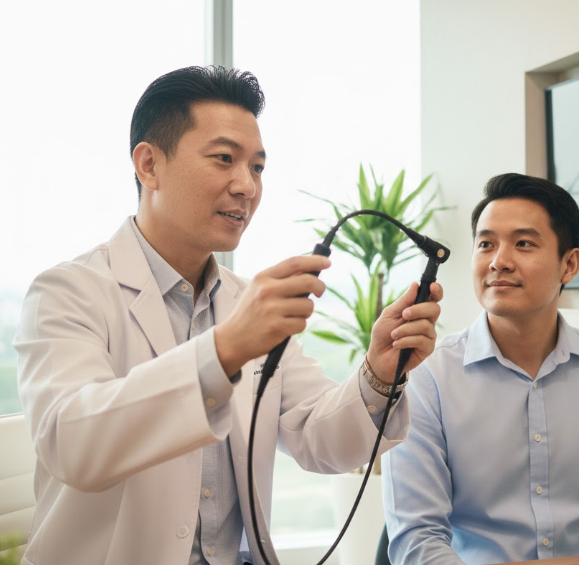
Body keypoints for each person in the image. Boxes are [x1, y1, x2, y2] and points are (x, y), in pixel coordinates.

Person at [13, 65, 443, 565]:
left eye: (257, 167)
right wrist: (225, 348)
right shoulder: (67, 292)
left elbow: (321, 439)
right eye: (224, 159)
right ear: (149, 165)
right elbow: (73, 444)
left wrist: (378, 374)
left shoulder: (243, 303)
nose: (247, 186)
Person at [382, 173, 579, 564]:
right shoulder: (426, 377)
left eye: (523, 243)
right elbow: (418, 538)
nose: (499, 262)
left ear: (569, 264)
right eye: (486, 244)